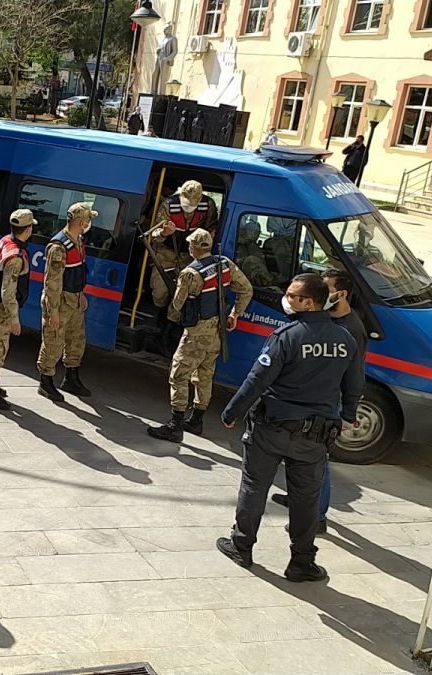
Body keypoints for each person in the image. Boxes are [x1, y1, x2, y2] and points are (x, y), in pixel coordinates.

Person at [217, 273, 363, 582]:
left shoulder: (287, 335)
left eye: (293, 296)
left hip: (271, 430)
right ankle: (301, 562)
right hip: (316, 436)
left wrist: (232, 412)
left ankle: (242, 546)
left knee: (255, 487)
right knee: (306, 499)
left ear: (309, 303)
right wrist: (348, 415)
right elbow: (354, 384)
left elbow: (258, 379)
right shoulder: (345, 340)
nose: (287, 299)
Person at [272, 268, 368, 534]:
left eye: (326, 290)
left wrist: (347, 410)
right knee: (300, 455)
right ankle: (299, 500)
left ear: (341, 294)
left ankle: (318, 516)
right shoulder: (327, 319)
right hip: (312, 397)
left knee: (318, 461)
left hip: (328, 401)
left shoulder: (351, 330)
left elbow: (354, 373)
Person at [147, 229, 253, 440]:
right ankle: (196, 420)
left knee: (178, 375)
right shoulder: (225, 264)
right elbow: (246, 289)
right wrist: (234, 314)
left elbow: (177, 306)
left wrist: (178, 284)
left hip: (196, 333)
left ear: (192, 247)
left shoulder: (189, 273)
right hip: (217, 331)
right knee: (204, 375)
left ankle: (175, 425)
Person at [37, 202, 96, 402]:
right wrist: (52, 311)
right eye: (88, 220)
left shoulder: (78, 240)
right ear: (81, 222)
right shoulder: (58, 247)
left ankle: (71, 378)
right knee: (53, 342)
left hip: (75, 300)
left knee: (76, 340)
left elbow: (77, 271)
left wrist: (81, 294)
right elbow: (52, 282)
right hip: (60, 303)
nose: (90, 223)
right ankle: (45, 381)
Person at [0, 209, 35, 410]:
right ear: (27, 229)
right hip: (1, 308)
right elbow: (8, 291)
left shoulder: (5, 241)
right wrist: (14, 318)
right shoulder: (16, 257)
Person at [148, 180, 220, 315]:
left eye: (193, 205)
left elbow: (212, 227)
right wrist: (164, 233)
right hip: (165, 253)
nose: (189, 208)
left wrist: (209, 236)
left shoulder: (208, 205)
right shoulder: (168, 205)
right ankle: (157, 314)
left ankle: (169, 323)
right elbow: (154, 234)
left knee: (184, 293)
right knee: (159, 291)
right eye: (186, 203)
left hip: (191, 255)